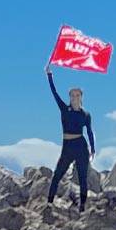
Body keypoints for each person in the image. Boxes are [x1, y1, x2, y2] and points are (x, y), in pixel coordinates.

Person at [45, 64, 95, 210]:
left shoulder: (85, 114)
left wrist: (93, 149)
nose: (75, 98)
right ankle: (49, 203)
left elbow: (90, 132)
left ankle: (82, 206)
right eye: (72, 95)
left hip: (81, 146)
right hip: (67, 146)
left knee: (82, 177)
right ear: (70, 97)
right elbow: (54, 92)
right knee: (57, 175)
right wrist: (49, 76)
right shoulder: (64, 109)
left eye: (77, 95)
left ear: (81, 98)